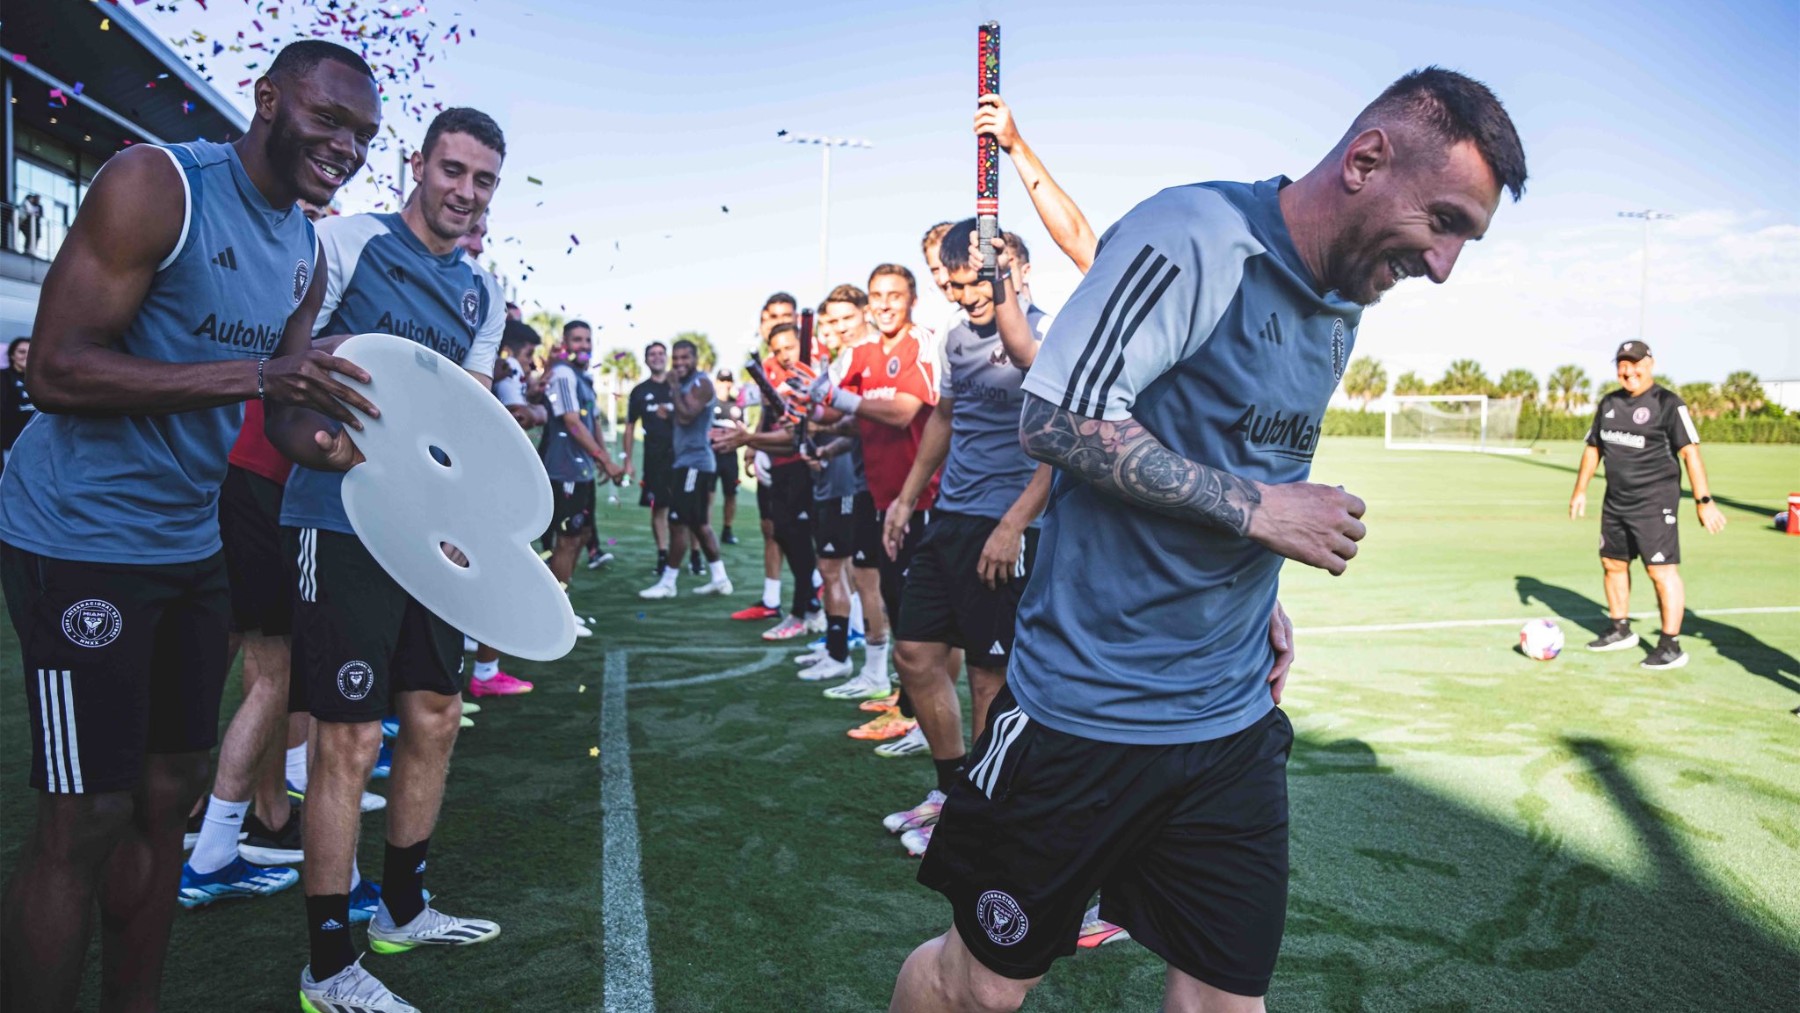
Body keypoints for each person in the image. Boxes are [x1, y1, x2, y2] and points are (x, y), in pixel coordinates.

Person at [889, 67, 1527, 1011]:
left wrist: (1260, 596)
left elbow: (1240, 451)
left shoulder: (1345, 303)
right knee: (975, 988)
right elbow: (1057, 417)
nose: (1442, 265)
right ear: (1365, 160)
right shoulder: (1195, 236)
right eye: (1443, 223)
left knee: (1223, 1002)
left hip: (1230, 725)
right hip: (1084, 712)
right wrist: (1263, 514)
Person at [0, 39, 379, 1012]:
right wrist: (256, 378)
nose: (345, 146)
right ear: (266, 98)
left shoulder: (302, 246)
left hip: (189, 539)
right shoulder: (155, 184)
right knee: (85, 817)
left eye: (363, 135)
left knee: (166, 800)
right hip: (78, 533)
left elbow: (286, 412)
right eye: (328, 119)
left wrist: (336, 442)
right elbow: (53, 369)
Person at [269, 105, 512, 1011]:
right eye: (453, 170)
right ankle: (328, 965)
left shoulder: (482, 293)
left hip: (430, 533)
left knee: (438, 713)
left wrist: (467, 518)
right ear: (419, 164)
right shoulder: (347, 243)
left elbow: (472, 422)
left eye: (483, 179)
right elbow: (284, 367)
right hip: (337, 519)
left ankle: (402, 908)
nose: (465, 191)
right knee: (349, 735)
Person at [880, 222, 1052, 859]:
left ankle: (982, 818)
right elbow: (947, 420)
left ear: (1012, 271)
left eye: (968, 283)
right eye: (948, 285)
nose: (958, 297)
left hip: (1009, 525)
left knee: (987, 677)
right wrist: (905, 498)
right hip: (950, 516)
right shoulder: (954, 338)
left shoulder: (1048, 336)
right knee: (917, 654)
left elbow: (1064, 442)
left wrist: (1015, 523)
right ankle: (953, 793)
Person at [1569, 340, 1725, 669]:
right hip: (1616, 504)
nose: (1628, 371)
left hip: (1655, 506)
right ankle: (1620, 629)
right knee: (1612, 563)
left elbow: (1690, 453)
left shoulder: (1668, 404)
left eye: (1635, 363)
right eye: (1622, 365)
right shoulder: (1609, 403)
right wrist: (1580, 490)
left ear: (1650, 364)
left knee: (1660, 571)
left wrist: (1704, 501)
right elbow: (1593, 449)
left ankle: (1671, 646)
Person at [641, 339, 732, 597]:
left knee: (678, 522)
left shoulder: (701, 383)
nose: (679, 363)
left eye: (685, 358)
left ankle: (668, 583)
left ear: (695, 359)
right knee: (699, 524)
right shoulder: (685, 385)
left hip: (695, 464)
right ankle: (720, 578)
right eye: (676, 358)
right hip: (687, 463)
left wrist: (672, 390)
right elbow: (682, 417)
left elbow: (686, 415)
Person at [545, 321, 626, 593]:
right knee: (567, 541)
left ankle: (561, 603)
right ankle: (554, 610)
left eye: (588, 340)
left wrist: (598, 460)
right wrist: (605, 459)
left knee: (581, 537)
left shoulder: (584, 378)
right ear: (566, 343)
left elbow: (591, 420)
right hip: (564, 471)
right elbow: (572, 422)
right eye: (577, 340)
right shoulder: (563, 374)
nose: (584, 345)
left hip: (582, 471)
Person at [623, 341, 675, 573]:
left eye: (660, 353)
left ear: (667, 357)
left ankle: (694, 555)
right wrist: (627, 461)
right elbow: (630, 427)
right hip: (654, 460)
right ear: (646, 360)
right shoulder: (639, 391)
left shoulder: (679, 387)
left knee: (688, 511)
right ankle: (663, 556)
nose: (657, 357)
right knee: (659, 508)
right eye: (652, 354)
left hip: (682, 460)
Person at [712, 368, 747, 544]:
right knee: (708, 494)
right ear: (716, 382)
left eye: (728, 380)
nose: (725, 384)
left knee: (731, 494)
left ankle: (727, 529)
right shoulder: (710, 404)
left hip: (730, 458)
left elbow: (743, 433)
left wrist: (730, 437)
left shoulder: (737, 406)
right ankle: (706, 530)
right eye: (722, 380)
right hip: (711, 457)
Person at [1, 337, 32, 476]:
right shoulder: (3, 377)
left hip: (35, 442)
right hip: (11, 442)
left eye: (30, 352)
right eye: (21, 351)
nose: (26, 356)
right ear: (12, 355)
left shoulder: (40, 379)